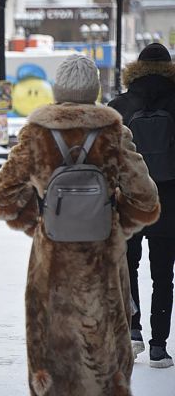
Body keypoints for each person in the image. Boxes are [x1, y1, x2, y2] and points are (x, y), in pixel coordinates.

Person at [0, 54, 160, 395]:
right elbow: (146, 199)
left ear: (58, 89)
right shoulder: (114, 132)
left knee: (52, 350)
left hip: (51, 259)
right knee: (106, 350)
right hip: (103, 259)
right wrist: (112, 222)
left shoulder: (36, 133)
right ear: (94, 89)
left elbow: (2, 196)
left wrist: (40, 222)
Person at [108, 42, 175, 368]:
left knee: (128, 267)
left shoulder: (119, 105)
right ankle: (159, 346)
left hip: (129, 200)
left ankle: (133, 331)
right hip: (169, 201)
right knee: (163, 276)